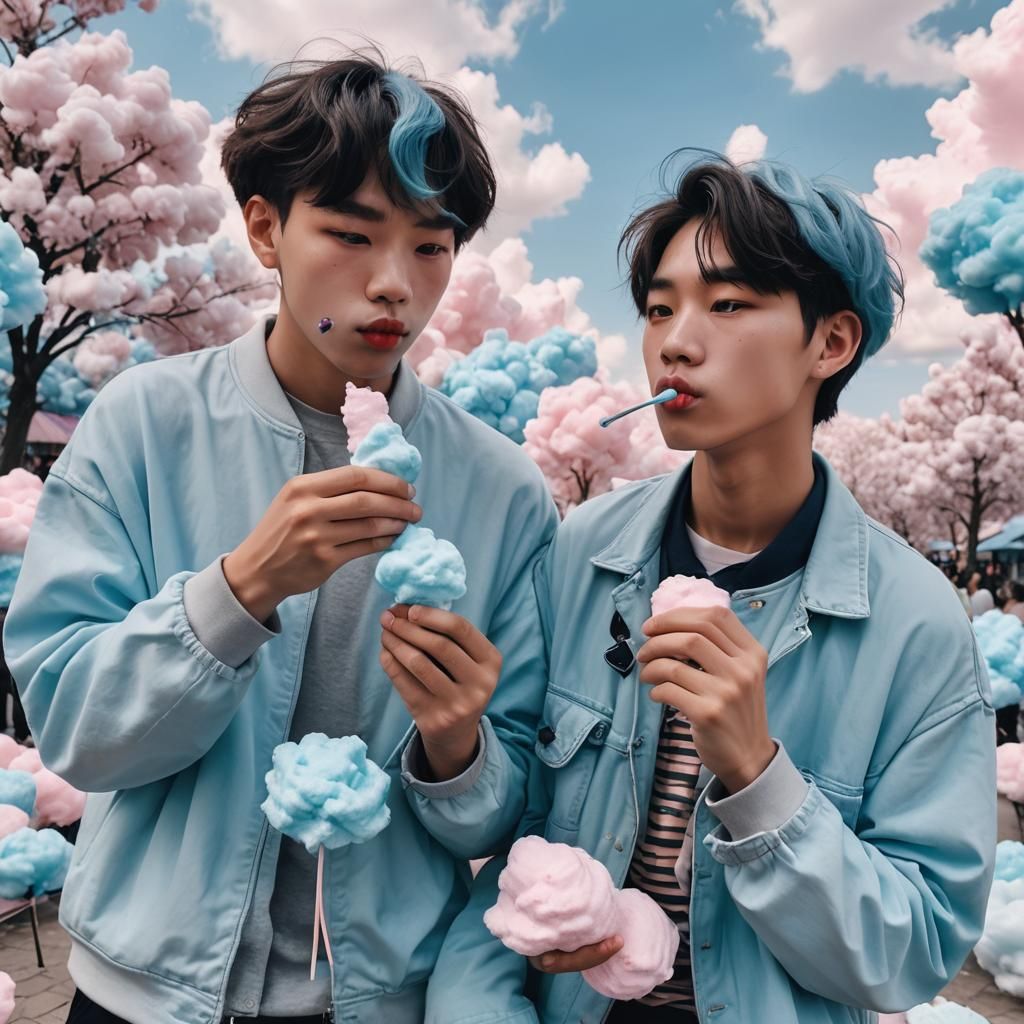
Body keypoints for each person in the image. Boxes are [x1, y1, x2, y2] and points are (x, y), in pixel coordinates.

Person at [4, 53, 557, 1024]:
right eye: (350, 233)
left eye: (433, 247)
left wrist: (458, 742)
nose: (395, 285)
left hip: (379, 997)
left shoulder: (502, 490)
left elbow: (504, 809)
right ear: (265, 227)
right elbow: (76, 736)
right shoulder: (142, 425)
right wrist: (240, 589)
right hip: (140, 993)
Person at [426, 154, 996, 1024]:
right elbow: (504, 845)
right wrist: (454, 739)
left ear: (832, 343)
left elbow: (912, 951)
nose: (675, 340)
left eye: (727, 305)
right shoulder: (577, 556)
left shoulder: (917, 624)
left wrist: (757, 774)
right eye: (659, 308)